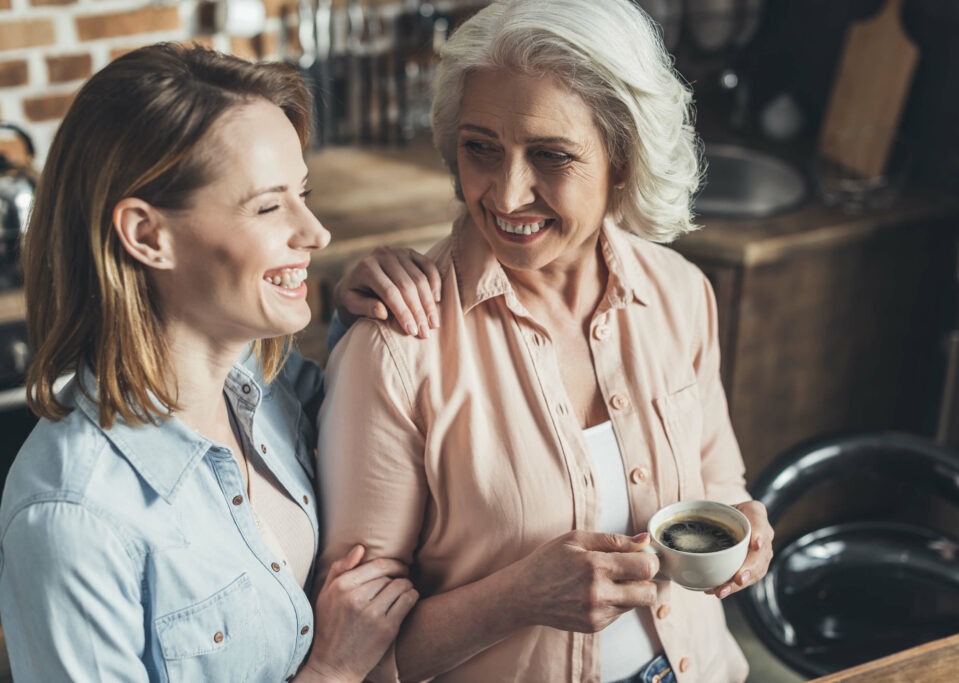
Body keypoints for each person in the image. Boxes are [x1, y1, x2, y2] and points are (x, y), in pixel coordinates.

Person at [316, 1, 775, 681]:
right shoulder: (396, 346)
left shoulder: (679, 292)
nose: (506, 193)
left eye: (551, 155)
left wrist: (747, 522)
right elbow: (356, 655)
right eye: (481, 148)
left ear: (623, 157)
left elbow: (720, 484)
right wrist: (518, 598)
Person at [0, 43, 440, 682]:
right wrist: (331, 671)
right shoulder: (73, 516)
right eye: (268, 206)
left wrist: (361, 323)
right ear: (148, 235)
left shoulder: (273, 387)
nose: (315, 232)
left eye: (303, 193)